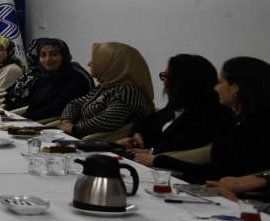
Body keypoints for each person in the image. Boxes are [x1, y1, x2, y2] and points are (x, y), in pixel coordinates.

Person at [134, 57, 270, 183]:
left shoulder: (254, 129)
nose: (216, 88)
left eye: (220, 82)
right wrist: (155, 156)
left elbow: (214, 171)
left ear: (235, 89)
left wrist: (158, 160)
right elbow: (208, 153)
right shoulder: (243, 121)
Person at [118, 54, 233, 155]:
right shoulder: (176, 105)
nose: (163, 81)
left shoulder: (212, 113)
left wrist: (153, 152)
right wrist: (137, 134)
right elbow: (144, 120)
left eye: (166, 76)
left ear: (181, 83)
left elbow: (185, 142)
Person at [59, 42, 154, 138]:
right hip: (82, 137)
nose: (89, 63)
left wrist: (74, 129)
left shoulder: (128, 91)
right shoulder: (105, 86)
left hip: (97, 142)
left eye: (96, 60)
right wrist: (67, 120)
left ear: (112, 64)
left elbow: (106, 121)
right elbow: (76, 103)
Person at [4, 38, 93, 121]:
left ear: (64, 55)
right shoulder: (42, 75)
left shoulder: (76, 78)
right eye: (43, 55)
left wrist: (21, 119)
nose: (48, 59)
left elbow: (55, 108)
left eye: (54, 54)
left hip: (56, 124)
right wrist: (7, 109)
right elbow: (31, 101)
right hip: (33, 119)